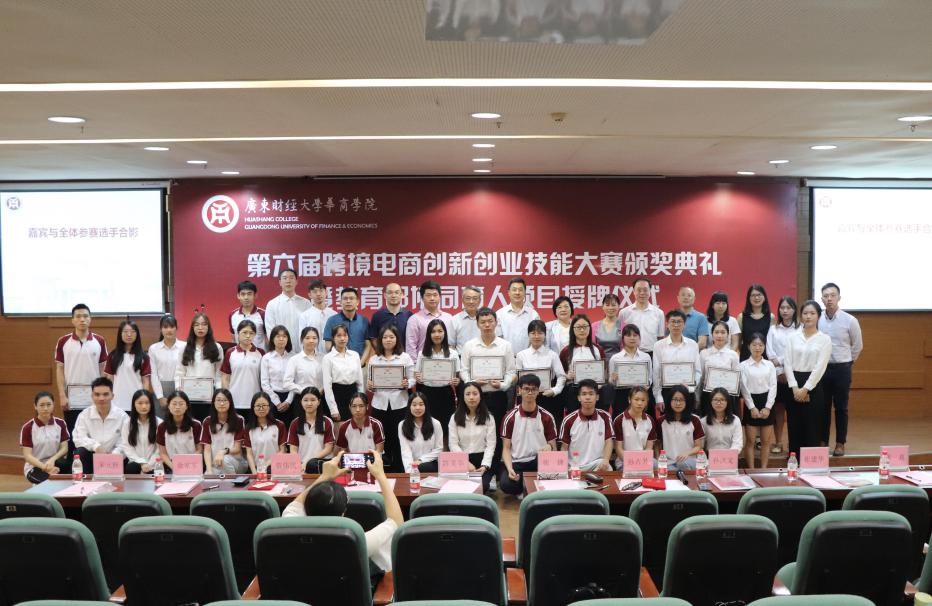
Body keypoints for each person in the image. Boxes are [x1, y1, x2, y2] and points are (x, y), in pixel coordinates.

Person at [282, 450, 402, 574]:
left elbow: (294, 506)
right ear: (343, 512)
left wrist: (324, 476)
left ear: (306, 508)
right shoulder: (357, 541)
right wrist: (381, 475)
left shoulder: (288, 529)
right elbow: (396, 522)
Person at [818, 282, 863, 456]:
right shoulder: (818, 319)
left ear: (839, 298)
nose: (829, 299)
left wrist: (848, 362)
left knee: (841, 408)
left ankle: (840, 443)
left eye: (832, 295)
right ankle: (823, 441)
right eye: (826, 296)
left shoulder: (850, 320)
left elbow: (857, 345)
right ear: (822, 299)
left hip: (842, 369)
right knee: (823, 407)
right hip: (822, 369)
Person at [460, 307, 516, 444]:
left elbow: (511, 372)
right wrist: (472, 383)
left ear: (496, 322)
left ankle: (497, 458)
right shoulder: (469, 346)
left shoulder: (505, 345)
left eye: (490, 321)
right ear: (477, 324)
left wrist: (503, 385)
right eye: (483, 322)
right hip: (476, 398)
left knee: (497, 432)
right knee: (476, 433)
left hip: (498, 395)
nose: (487, 325)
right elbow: (463, 371)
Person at [784, 300, 832, 455]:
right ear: (800, 316)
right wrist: (795, 388)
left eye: (812, 313)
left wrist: (805, 389)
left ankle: (811, 464)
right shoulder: (792, 337)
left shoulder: (824, 339)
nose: (808, 316)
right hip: (793, 385)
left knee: (812, 427)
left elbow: (820, 367)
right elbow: (787, 363)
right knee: (794, 426)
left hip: (814, 385)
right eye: (805, 313)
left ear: (819, 316)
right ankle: (794, 462)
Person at [499, 374, 557, 496]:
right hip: (517, 462)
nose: (530, 392)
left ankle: (530, 485)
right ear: (519, 390)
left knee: (552, 480)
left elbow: (553, 446)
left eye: (533, 389)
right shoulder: (510, 417)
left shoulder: (547, 416)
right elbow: (506, 448)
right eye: (526, 389)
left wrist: (549, 447)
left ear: (538, 391)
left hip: (539, 461)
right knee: (506, 485)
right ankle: (524, 486)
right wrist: (510, 469)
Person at [55, 303, 108, 436]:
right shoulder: (63, 341)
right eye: (78, 316)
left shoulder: (99, 340)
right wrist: (62, 395)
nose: (82, 319)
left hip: (94, 395)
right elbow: (59, 369)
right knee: (73, 433)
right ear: (72, 320)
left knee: (94, 433)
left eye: (85, 316)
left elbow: (103, 369)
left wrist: (102, 393)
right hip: (71, 397)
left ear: (90, 319)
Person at [369, 324, 414, 472]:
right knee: (382, 438)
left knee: (399, 438)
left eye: (391, 337)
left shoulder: (405, 357)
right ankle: (384, 470)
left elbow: (413, 379)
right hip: (379, 405)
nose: (388, 340)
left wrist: (407, 384)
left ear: (397, 339)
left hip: (400, 404)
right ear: (380, 340)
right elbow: (370, 384)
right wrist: (370, 386)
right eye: (385, 337)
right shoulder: (374, 359)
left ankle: (400, 470)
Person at [414, 319, 461, 441]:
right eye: (433, 331)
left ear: (445, 333)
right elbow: (417, 375)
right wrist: (418, 378)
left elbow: (457, 377)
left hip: (446, 393)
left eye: (440, 331)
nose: (437, 334)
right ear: (429, 334)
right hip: (427, 393)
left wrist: (457, 381)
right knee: (428, 426)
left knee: (446, 426)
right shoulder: (422, 354)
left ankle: (444, 450)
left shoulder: (453, 354)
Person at [448, 381, 497, 492]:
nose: (471, 397)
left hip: (482, 459)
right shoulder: (454, 418)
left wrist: (485, 465)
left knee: (481, 487)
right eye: (468, 394)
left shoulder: (489, 418)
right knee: (459, 487)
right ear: (463, 397)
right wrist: (465, 462)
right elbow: (453, 444)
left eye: (475, 394)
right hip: (461, 458)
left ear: (480, 396)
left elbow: (491, 445)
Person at [516, 319, 567, 426]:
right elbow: (518, 378)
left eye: (540, 333)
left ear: (545, 335)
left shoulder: (552, 355)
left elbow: (562, 376)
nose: (536, 336)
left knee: (547, 426)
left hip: (547, 396)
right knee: (527, 426)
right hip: (527, 397)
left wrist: (555, 390)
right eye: (533, 333)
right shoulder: (521, 355)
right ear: (528, 335)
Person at [766, 296, 800, 455]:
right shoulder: (773, 329)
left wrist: (785, 366)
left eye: (788, 308)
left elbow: (798, 353)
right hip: (777, 376)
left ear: (794, 310)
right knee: (778, 410)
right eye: (782, 308)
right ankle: (778, 442)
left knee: (794, 412)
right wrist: (781, 370)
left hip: (795, 376)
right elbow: (770, 354)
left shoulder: (800, 329)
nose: (785, 311)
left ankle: (793, 443)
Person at [72, 377, 128, 473]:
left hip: (116, 458)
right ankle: (84, 481)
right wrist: (96, 447)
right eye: (97, 394)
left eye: (105, 394)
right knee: (80, 452)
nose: (101, 398)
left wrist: (113, 456)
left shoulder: (122, 416)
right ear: (92, 396)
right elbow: (78, 438)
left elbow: (126, 442)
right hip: (92, 455)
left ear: (112, 396)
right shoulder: (84, 415)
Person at [174, 312, 224, 421]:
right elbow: (179, 372)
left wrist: (219, 393)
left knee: (207, 423)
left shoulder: (217, 347)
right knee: (191, 424)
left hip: (209, 397)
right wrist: (179, 391)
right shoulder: (184, 348)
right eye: (196, 325)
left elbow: (219, 374)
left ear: (208, 327)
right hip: (188, 396)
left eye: (204, 324)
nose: (200, 328)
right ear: (192, 328)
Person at [652, 310, 701, 415]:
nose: (676, 325)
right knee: (667, 422)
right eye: (673, 321)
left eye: (679, 321)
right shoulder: (658, 345)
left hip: (687, 391)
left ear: (684, 324)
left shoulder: (693, 344)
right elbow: (656, 373)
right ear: (667, 324)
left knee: (688, 422)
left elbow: (698, 371)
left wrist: (691, 388)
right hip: (667, 392)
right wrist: (658, 396)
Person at [558, 379, 613, 471]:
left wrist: (606, 460)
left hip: (597, 464)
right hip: (574, 466)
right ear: (579, 398)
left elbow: (608, 442)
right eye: (584, 394)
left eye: (591, 394)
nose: (587, 397)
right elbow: (564, 447)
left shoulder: (605, 417)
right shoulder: (568, 420)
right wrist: (564, 467)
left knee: (608, 468)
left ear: (597, 397)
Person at [740, 333, 777, 469]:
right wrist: (751, 407)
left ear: (764, 347)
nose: (757, 348)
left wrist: (768, 407)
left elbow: (773, 386)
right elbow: (744, 388)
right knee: (750, 441)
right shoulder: (743, 365)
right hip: (751, 402)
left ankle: (764, 469)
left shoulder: (769, 365)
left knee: (766, 442)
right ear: (748, 346)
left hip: (767, 401)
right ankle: (751, 470)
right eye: (754, 345)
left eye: (760, 345)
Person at [560, 314, 607, 413]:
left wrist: (600, 383)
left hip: (594, 391)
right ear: (572, 329)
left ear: (590, 328)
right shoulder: (566, 351)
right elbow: (561, 374)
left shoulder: (598, 349)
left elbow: (605, 372)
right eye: (578, 327)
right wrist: (567, 376)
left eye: (585, 327)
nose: (582, 330)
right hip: (574, 392)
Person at [20, 391, 70, 483]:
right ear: (35, 406)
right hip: (35, 466)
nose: (45, 408)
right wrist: (45, 467)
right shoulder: (28, 427)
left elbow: (64, 448)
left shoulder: (60, 423)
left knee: (70, 476)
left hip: (54, 462)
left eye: (48, 404)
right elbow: (27, 456)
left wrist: (52, 460)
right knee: (49, 483)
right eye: (42, 405)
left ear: (53, 405)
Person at [221, 319, 265, 421]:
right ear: (238, 333)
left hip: (255, 402)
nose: (248, 336)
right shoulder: (230, 352)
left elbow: (264, 379)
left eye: (251, 333)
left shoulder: (261, 353)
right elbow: (225, 377)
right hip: (234, 402)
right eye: (244, 332)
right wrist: (227, 397)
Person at [104, 320, 153, 411]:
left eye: (132, 332)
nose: (129, 335)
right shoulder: (113, 355)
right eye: (125, 332)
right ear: (120, 334)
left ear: (137, 334)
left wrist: (145, 400)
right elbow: (109, 379)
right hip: (117, 401)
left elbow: (145, 381)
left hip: (137, 401)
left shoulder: (144, 357)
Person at [322, 324, 365, 422]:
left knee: (354, 427)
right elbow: (327, 387)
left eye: (345, 335)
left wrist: (361, 402)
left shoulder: (355, 355)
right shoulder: (328, 358)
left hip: (353, 394)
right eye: (339, 335)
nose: (342, 338)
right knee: (339, 428)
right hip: (337, 395)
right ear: (333, 338)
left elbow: (360, 382)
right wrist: (333, 409)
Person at [200, 388, 248, 475]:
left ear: (230, 402)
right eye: (218, 400)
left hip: (237, 462)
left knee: (225, 460)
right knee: (207, 476)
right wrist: (209, 470)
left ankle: (233, 482)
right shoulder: (207, 421)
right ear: (213, 402)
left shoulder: (239, 420)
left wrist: (223, 451)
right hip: (216, 464)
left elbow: (237, 449)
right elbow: (207, 450)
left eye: (225, 400)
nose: (222, 403)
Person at [287, 386, 335, 474]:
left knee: (313, 466)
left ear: (318, 402)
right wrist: (299, 464)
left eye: (313, 400)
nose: (309, 403)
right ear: (301, 402)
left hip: (320, 463)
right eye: (305, 400)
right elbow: (293, 449)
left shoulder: (327, 421)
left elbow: (328, 449)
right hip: (301, 464)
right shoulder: (295, 423)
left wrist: (308, 462)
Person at [698, 320, 740, 416]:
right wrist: (697, 397)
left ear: (728, 335)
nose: (719, 335)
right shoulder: (704, 353)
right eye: (716, 332)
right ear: (712, 334)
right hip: (708, 395)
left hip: (727, 396)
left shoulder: (733, 355)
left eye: (723, 332)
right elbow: (700, 378)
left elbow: (736, 380)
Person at [608, 324, 652, 413]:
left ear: (639, 338)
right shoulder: (615, 358)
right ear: (623, 338)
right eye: (628, 335)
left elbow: (650, 378)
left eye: (635, 335)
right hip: (622, 396)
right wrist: (613, 379)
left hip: (641, 394)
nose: (632, 338)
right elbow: (611, 381)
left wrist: (644, 386)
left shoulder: (646, 357)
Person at [148, 314, 185, 419]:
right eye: (165, 327)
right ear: (161, 329)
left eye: (172, 326)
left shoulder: (184, 346)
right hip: (160, 389)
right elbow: (153, 374)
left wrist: (180, 393)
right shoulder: (153, 348)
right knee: (161, 422)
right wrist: (160, 397)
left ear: (176, 328)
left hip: (181, 388)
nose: (169, 330)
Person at [659, 385, 704, 471]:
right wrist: (660, 461)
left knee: (682, 464)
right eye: (675, 399)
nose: (678, 403)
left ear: (687, 401)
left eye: (682, 400)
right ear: (669, 401)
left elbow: (699, 446)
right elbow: (658, 445)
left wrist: (687, 453)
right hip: (669, 463)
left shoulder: (695, 420)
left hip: (689, 462)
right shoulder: (661, 421)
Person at [405, 280, 454, 359]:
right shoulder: (414, 319)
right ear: (422, 298)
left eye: (435, 295)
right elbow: (411, 347)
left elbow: (452, 343)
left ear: (440, 297)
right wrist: (415, 365)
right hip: (423, 363)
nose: (432, 298)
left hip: (446, 363)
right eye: (428, 295)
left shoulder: (449, 318)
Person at [156, 391, 203, 471]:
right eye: (174, 404)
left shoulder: (196, 425)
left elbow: (200, 449)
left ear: (186, 406)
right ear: (168, 406)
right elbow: (162, 453)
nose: (177, 407)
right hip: (171, 466)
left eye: (181, 404)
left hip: (192, 465)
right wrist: (174, 467)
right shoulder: (162, 427)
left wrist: (186, 463)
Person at [324, 287, 372, 363]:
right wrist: (339, 361)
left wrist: (360, 363)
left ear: (357, 302)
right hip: (338, 364)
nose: (348, 301)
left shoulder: (364, 321)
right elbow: (328, 345)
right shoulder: (332, 320)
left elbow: (368, 345)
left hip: (359, 364)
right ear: (340, 302)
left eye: (351, 298)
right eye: (345, 298)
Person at [264, 268, 311, 347]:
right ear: (280, 282)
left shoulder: (306, 303)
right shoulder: (272, 304)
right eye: (285, 278)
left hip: (302, 349)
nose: (288, 281)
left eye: (291, 278)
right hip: (281, 349)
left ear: (296, 282)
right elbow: (270, 331)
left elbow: (310, 328)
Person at [398, 392, 444, 473]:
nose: (417, 408)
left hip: (431, 463)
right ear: (409, 406)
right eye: (414, 405)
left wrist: (421, 460)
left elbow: (439, 449)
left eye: (421, 404)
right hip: (411, 465)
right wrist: (410, 471)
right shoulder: (402, 425)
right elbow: (405, 451)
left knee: (423, 467)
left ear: (426, 406)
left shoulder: (436, 424)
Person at [612, 386, 657, 468]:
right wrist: (632, 463)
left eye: (643, 400)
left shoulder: (650, 420)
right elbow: (618, 448)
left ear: (647, 402)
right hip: (624, 461)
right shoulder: (619, 420)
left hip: (643, 460)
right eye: (636, 399)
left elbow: (649, 448)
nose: (639, 403)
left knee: (657, 465)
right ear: (629, 400)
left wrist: (641, 462)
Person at [244, 391, 287, 473]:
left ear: (269, 406)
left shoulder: (279, 425)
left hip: (275, 468)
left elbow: (283, 451)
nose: (261, 408)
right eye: (258, 406)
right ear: (253, 408)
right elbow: (249, 453)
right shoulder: (248, 428)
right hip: (257, 469)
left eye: (264, 405)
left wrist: (266, 465)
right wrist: (254, 473)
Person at [120, 389, 162, 474]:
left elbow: (160, 449)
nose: (144, 406)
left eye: (147, 403)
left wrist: (149, 464)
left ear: (151, 404)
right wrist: (142, 462)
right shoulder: (127, 424)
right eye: (140, 403)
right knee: (131, 468)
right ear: (134, 404)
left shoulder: (160, 423)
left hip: (154, 464)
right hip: (135, 464)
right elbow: (127, 447)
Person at [620, 278, 665, 354]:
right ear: (634, 292)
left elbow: (660, 337)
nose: (642, 293)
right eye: (639, 290)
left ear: (650, 292)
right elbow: (620, 336)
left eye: (645, 290)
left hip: (652, 353)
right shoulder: (624, 313)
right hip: (630, 353)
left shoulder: (659, 313)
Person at [496, 277, 540, 354]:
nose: (517, 293)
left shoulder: (533, 314)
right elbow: (498, 338)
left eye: (520, 290)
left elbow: (537, 338)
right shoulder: (499, 314)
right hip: (506, 357)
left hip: (528, 358)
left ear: (525, 292)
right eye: (514, 290)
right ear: (508, 292)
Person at [261, 324, 295, 421]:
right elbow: (264, 383)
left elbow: (296, 381)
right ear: (272, 339)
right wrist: (277, 402)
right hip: (272, 398)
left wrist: (288, 401)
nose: (281, 339)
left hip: (291, 397)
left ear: (288, 339)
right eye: (278, 336)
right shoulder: (266, 358)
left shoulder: (293, 357)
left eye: (284, 336)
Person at [369, 282, 413, 354]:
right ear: (385, 295)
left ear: (402, 295)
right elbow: (374, 338)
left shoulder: (409, 315)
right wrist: (383, 353)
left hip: (405, 356)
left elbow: (412, 338)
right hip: (384, 357)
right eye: (390, 293)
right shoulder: (377, 315)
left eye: (396, 292)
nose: (393, 295)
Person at [297, 279, 337, 355]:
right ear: (310, 295)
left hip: (331, 356)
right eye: (315, 291)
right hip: (312, 356)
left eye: (321, 291)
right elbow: (302, 340)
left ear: (326, 292)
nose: (318, 294)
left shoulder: (334, 315)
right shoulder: (305, 316)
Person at [738, 284, 774, 361]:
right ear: (748, 298)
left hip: (765, 358)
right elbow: (738, 342)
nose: (756, 298)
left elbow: (772, 342)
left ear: (764, 297)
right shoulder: (741, 317)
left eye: (759, 295)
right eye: (753, 295)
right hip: (746, 358)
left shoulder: (771, 317)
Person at [229, 279, 267, 351]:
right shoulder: (232, 315)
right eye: (243, 294)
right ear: (238, 296)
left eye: (249, 294)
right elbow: (233, 338)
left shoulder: (263, 314)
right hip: (239, 355)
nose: (246, 297)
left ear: (255, 295)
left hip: (259, 355)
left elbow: (269, 338)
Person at [593, 293, 625, 359]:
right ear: (602, 307)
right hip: (599, 362)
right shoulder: (594, 326)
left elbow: (626, 348)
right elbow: (592, 347)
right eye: (607, 305)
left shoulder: (624, 326)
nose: (610, 308)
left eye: (613, 305)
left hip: (619, 361)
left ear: (618, 306)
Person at [451, 285, 482, 350]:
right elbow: (450, 345)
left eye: (475, 298)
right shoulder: (454, 320)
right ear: (462, 300)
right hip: (461, 355)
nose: (471, 301)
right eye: (468, 298)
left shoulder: (484, 319)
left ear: (479, 301)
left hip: (482, 355)